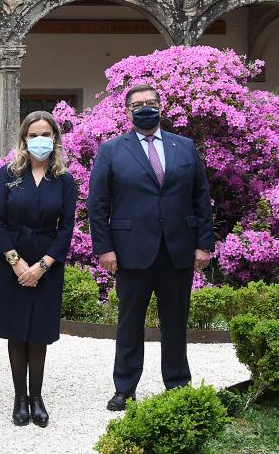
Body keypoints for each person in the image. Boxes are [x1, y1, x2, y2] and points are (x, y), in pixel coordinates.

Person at [87, 84, 214, 412]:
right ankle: (124, 388)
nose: (145, 108)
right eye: (138, 104)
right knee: (130, 324)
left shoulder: (184, 147)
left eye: (151, 102)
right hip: (130, 253)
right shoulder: (112, 151)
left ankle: (177, 385)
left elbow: (201, 198)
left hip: (178, 251)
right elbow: (98, 205)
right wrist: (105, 249)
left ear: (162, 106)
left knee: (176, 322)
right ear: (127, 111)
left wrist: (203, 244)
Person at [0, 111, 77, 427]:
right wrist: (16, 262)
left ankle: (36, 397)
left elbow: (66, 228)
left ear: (55, 138)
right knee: (16, 331)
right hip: (11, 262)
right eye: (33, 135)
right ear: (24, 139)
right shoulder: (9, 174)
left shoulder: (64, 179)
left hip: (46, 262)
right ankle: (19, 398)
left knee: (38, 333)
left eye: (45, 134)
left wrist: (42, 266)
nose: (39, 140)